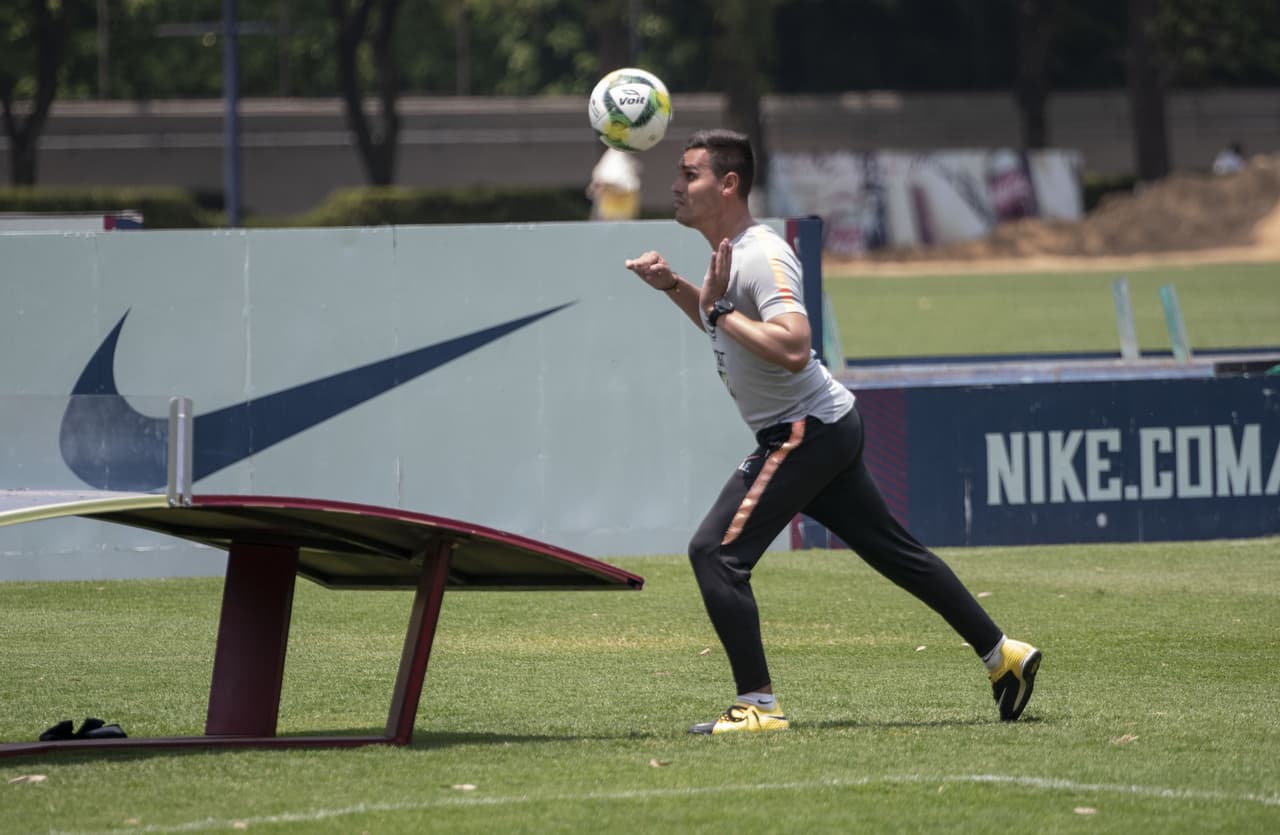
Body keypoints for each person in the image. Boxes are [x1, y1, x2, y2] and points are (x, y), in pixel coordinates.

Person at [623, 129, 1041, 735]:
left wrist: (717, 309)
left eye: (690, 174)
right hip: (823, 425)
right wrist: (680, 291)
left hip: (804, 430)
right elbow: (727, 328)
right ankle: (1004, 656)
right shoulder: (729, 255)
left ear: (729, 184)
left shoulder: (760, 254)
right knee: (897, 555)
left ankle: (758, 707)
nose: (675, 186)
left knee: (714, 554)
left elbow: (793, 346)